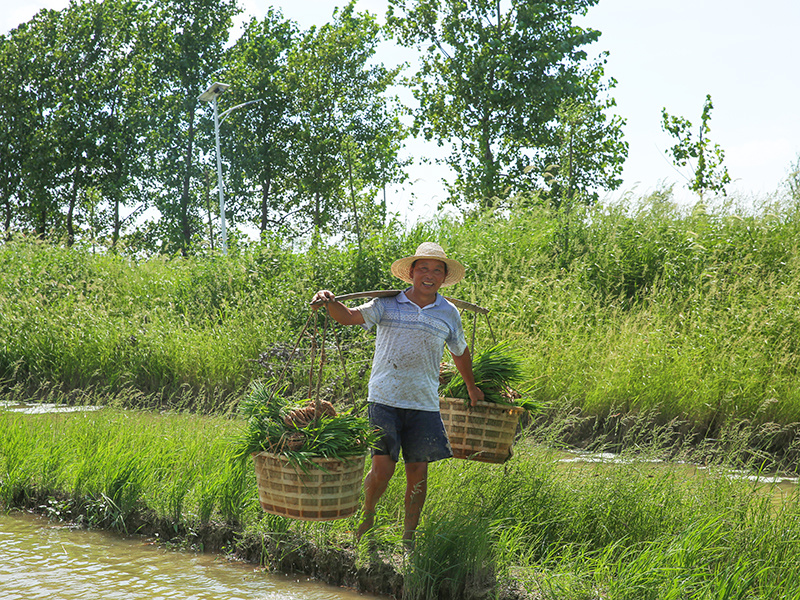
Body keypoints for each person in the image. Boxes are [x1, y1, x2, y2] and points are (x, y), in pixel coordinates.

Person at [310, 242, 484, 546]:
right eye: (423, 269)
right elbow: (349, 316)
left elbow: (460, 351)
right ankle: (367, 517)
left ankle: (409, 537)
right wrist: (328, 302)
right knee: (383, 468)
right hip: (385, 397)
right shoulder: (387, 304)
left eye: (436, 270)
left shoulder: (448, 313)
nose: (429, 275)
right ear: (412, 273)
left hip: (424, 403)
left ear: (444, 277)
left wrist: (471, 386)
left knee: (418, 474)